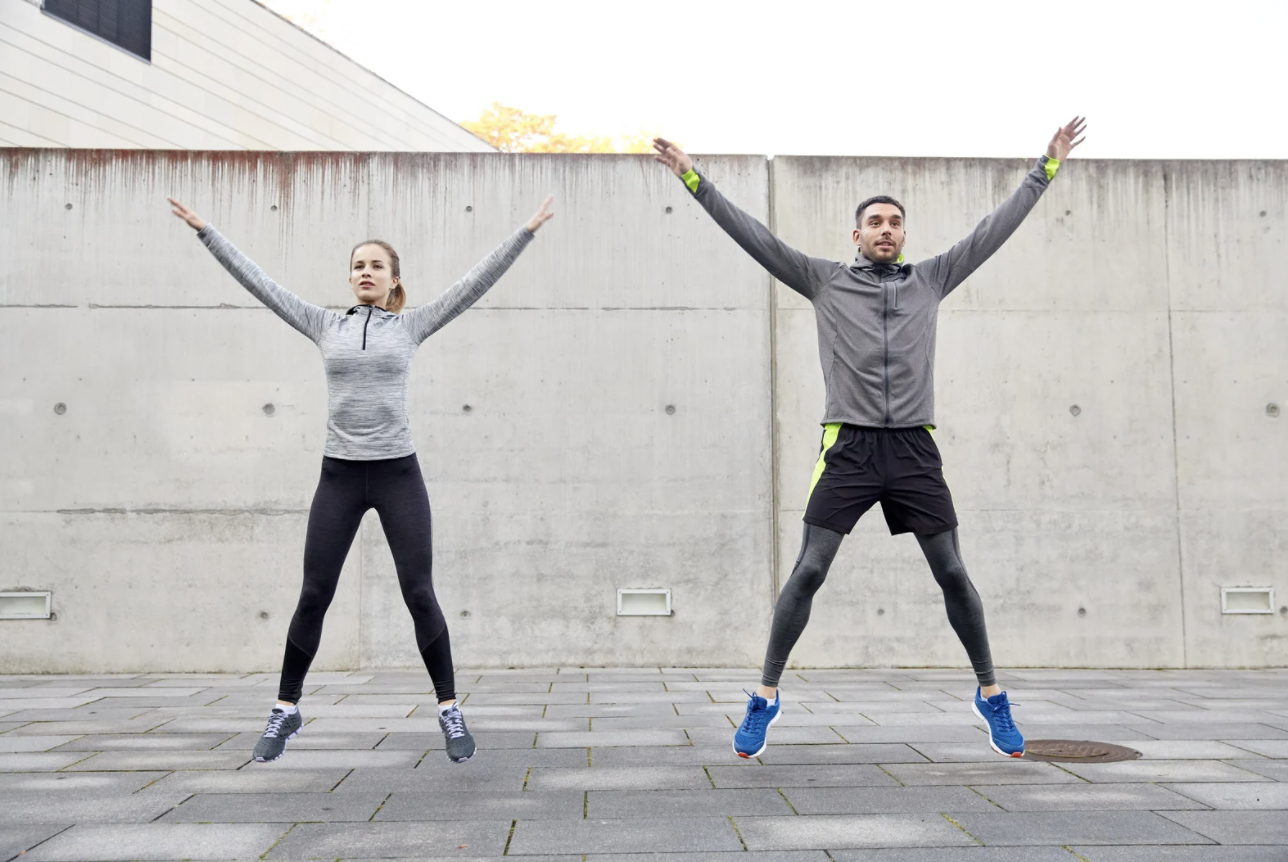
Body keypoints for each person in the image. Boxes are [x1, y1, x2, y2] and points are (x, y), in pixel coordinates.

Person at [653, 118, 1087, 759]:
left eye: (895, 222)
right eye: (875, 222)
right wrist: (694, 179)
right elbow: (753, 236)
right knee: (809, 570)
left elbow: (992, 231)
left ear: (904, 235)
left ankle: (991, 695)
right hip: (849, 448)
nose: (886, 229)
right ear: (856, 235)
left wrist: (1044, 169)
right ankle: (765, 697)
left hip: (914, 449)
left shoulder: (931, 279)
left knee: (953, 572)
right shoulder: (824, 280)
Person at [167, 194, 555, 763]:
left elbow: (474, 283)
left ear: (394, 279)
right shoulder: (324, 324)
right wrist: (207, 232)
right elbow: (261, 283)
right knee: (314, 594)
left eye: (376, 265)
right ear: (349, 278)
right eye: (357, 265)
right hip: (340, 477)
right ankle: (286, 708)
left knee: (419, 592)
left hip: (398, 474)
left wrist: (525, 231)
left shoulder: (412, 325)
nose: (365, 272)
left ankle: (450, 710)